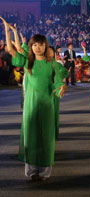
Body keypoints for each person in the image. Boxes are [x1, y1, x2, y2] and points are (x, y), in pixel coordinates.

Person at [2, 17, 66, 181]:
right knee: (31, 135)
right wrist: (9, 30)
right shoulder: (27, 62)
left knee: (45, 136)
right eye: (35, 45)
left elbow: (58, 82)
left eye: (41, 44)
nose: (38, 47)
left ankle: (44, 172)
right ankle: (31, 171)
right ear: (31, 47)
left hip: (46, 105)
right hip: (30, 104)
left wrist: (62, 88)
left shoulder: (51, 64)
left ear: (45, 46)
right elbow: (11, 50)